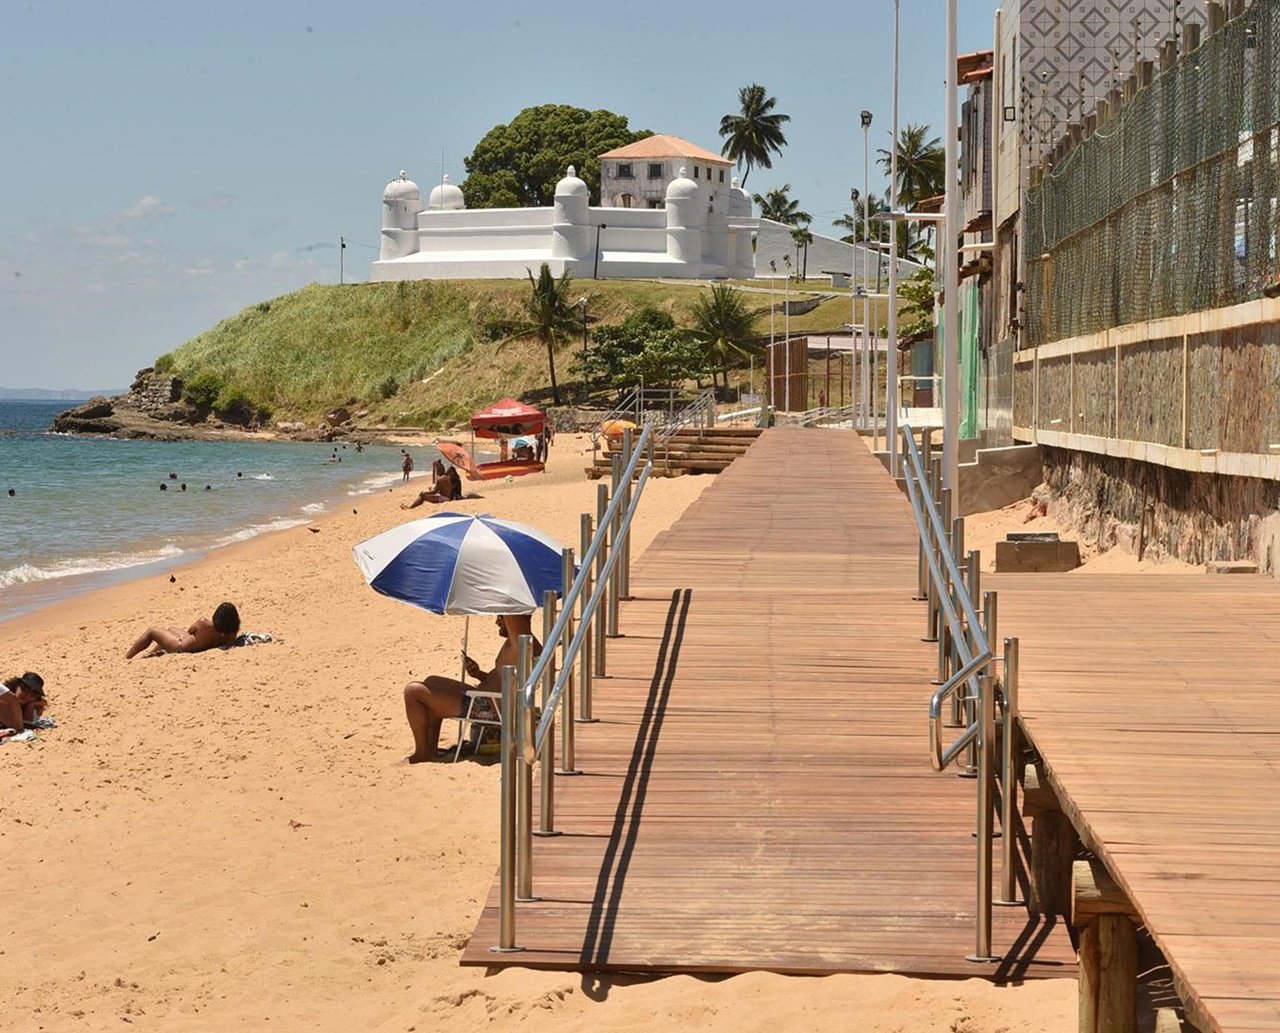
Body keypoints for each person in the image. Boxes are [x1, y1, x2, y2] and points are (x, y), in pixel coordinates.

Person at [402, 614, 539, 763]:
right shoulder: (525, 644)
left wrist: (510, 605)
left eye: (502, 617)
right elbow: (507, 681)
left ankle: (422, 754)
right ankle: (431, 749)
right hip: (489, 700)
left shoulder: (519, 643)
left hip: (488, 709)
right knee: (431, 681)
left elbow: (513, 609)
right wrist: (479, 674)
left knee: (413, 692)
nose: (497, 621)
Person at [125, 602, 241, 659]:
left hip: (180, 647)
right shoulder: (231, 634)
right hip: (197, 647)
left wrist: (194, 637)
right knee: (170, 629)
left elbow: (190, 630)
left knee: (151, 631)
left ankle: (128, 657)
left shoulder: (204, 623)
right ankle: (152, 653)